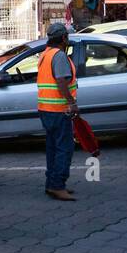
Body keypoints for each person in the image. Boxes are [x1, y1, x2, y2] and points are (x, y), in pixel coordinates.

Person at [37, 22, 78, 201]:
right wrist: (72, 103)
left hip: (46, 109)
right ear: (63, 38)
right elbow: (61, 82)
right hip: (58, 110)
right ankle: (57, 185)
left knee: (53, 148)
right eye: (67, 36)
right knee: (64, 148)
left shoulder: (45, 55)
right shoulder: (59, 56)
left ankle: (51, 184)